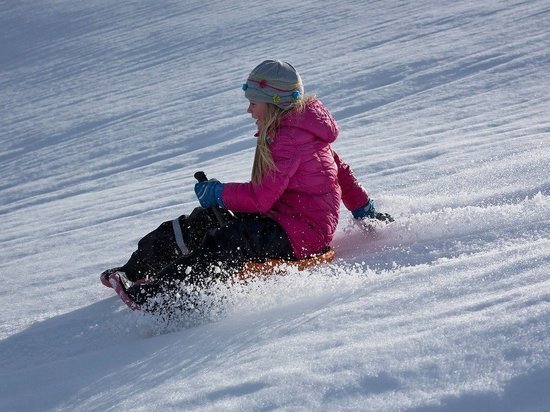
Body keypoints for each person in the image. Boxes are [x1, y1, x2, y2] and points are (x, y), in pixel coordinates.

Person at [100, 59, 392, 312]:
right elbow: (342, 174)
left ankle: (163, 298)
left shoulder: (290, 140)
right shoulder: (301, 130)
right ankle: (135, 270)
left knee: (229, 240)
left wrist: (218, 193)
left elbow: (260, 199)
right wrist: (364, 209)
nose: (250, 111)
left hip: (302, 233)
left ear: (275, 103)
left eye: (254, 103)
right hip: (284, 218)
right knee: (204, 220)